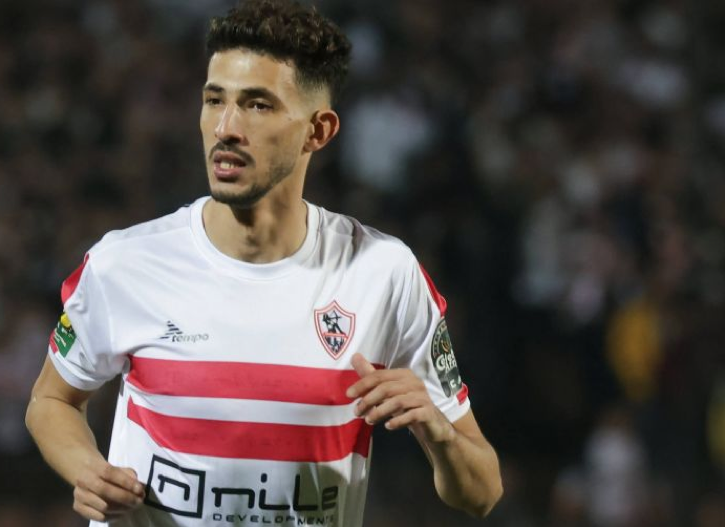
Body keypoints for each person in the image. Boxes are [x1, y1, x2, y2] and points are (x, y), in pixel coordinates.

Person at [25, 1, 503, 525]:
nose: (225, 127)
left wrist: (437, 431)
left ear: (318, 131)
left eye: (257, 105)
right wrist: (87, 469)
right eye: (215, 100)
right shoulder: (125, 264)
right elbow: (52, 401)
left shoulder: (383, 273)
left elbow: (482, 492)